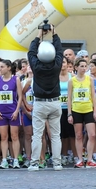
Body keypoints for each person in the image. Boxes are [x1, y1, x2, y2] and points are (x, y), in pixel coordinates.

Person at [27, 24, 64, 171]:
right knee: (55, 135)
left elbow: (31, 52)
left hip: (40, 104)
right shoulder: (57, 65)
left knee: (37, 135)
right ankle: (57, 163)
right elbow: (60, 50)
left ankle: (35, 163)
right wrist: (54, 34)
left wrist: (38, 34)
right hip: (55, 103)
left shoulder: (36, 66)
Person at [67, 58, 96, 168]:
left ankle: (90, 159)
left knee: (92, 134)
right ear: (76, 67)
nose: (84, 68)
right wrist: (69, 113)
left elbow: (93, 95)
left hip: (88, 110)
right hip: (76, 110)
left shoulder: (89, 79)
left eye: (85, 66)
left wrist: (95, 111)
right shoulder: (72, 81)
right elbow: (69, 98)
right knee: (79, 135)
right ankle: (80, 159)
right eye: (81, 66)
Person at [0, 60, 22, 169]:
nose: (0, 69)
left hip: (13, 112)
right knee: (3, 137)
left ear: (9, 68)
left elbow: (19, 96)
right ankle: (4, 160)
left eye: (2, 66)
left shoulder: (16, 79)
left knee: (14, 136)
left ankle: (15, 160)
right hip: (2, 112)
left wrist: (16, 111)